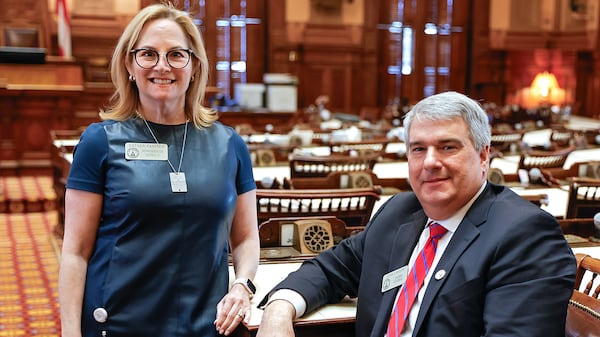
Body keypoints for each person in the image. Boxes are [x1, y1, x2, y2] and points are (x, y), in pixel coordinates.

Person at [256, 91, 576, 337]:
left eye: (448, 147)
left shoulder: (524, 235)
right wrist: (279, 310)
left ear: (482, 156)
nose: (430, 162)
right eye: (418, 149)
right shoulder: (400, 211)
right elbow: (330, 269)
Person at [58, 4, 259, 337]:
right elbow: (75, 252)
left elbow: (247, 238)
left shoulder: (229, 144)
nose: (162, 66)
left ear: (194, 66)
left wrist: (243, 285)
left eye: (176, 55)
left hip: (206, 325)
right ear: (129, 63)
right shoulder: (100, 141)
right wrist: (69, 333)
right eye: (148, 54)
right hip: (119, 322)